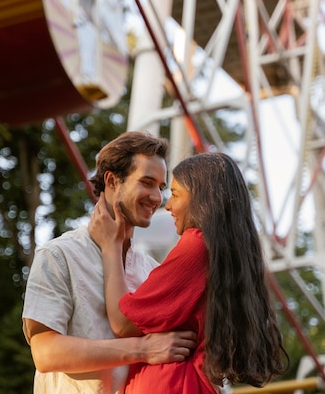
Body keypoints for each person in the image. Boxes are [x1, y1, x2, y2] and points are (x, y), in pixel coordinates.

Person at [89, 152, 289, 394]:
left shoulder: (196, 245)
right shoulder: (229, 254)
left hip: (169, 384)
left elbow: (122, 322)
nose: (168, 205)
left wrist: (111, 246)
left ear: (203, 199)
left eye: (174, 194)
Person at [22, 131, 198, 394]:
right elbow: (46, 354)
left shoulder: (152, 271)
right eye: (147, 182)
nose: (156, 197)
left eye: (161, 188)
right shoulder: (58, 255)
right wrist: (143, 349)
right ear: (112, 180)